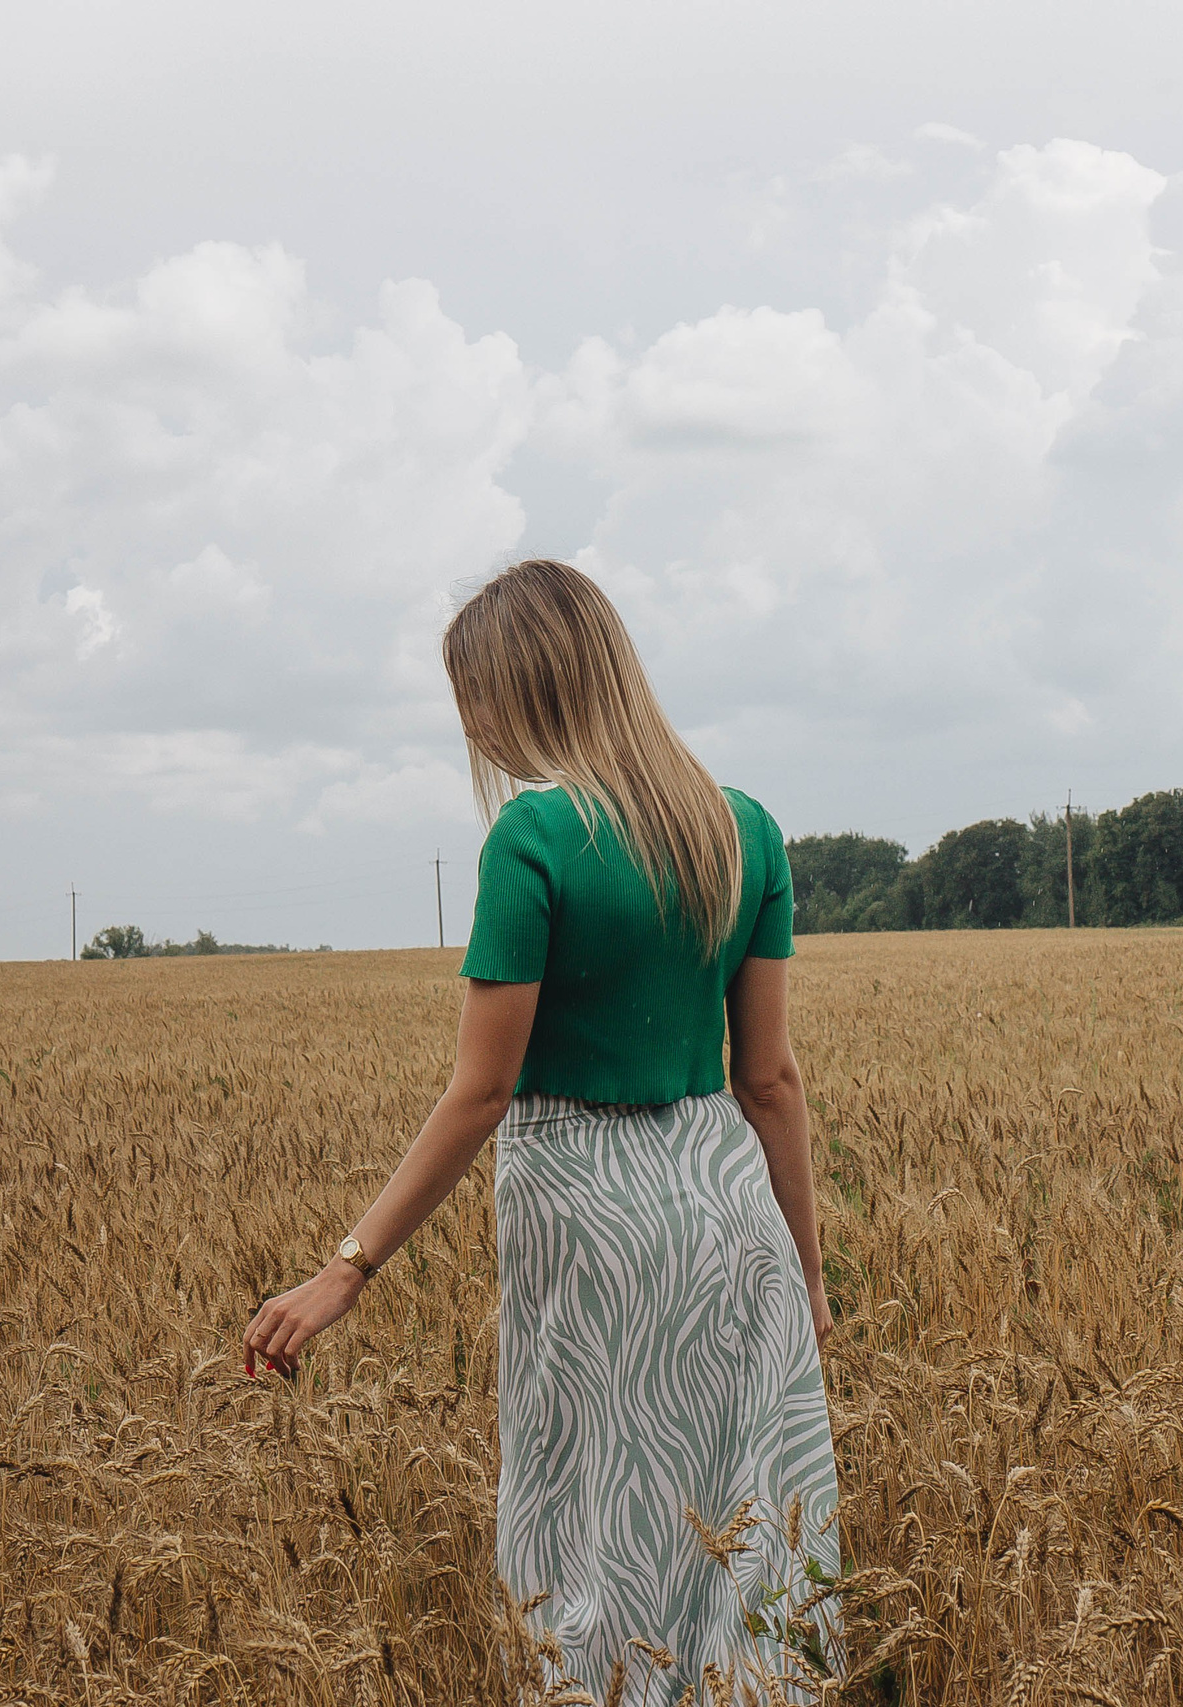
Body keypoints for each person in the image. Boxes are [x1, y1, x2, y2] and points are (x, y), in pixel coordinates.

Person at [243, 558, 843, 1700]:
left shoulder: (532, 840)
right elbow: (769, 1083)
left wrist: (347, 1270)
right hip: (731, 1210)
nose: (469, 723)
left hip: (590, 1211)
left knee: (600, 1530)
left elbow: (479, 1092)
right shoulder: (747, 830)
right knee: (749, 1529)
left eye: (472, 697)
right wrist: (805, 1274)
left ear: (518, 692)